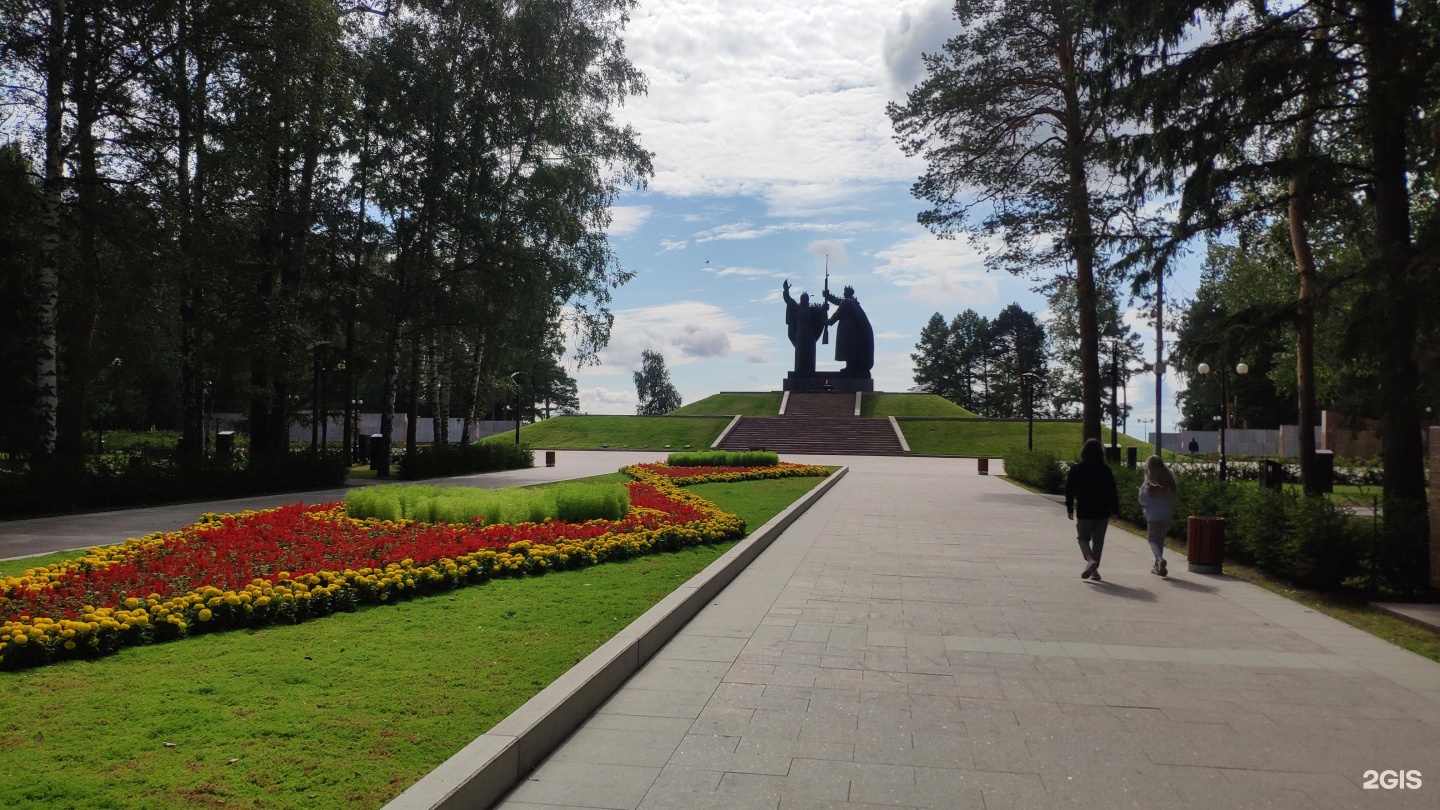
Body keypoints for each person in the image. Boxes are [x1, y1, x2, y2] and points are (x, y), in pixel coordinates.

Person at [1065, 438, 1120, 581]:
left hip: (1085, 509)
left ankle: (1090, 560)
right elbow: (1112, 491)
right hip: (1102, 510)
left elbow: (1069, 490)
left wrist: (1070, 508)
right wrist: (1115, 510)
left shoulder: (1076, 469)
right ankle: (1095, 571)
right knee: (1098, 541)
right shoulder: (1105, 470)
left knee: (1083, 538)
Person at [1138, 455, 1178, 577]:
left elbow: (1142, 500)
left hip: (1153, 516)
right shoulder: (1169, 481)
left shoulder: (1149, 483)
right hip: (1166, 515)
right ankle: (1158, 566)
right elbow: (1172, 498)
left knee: (1152, 540)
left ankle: (1159, 559)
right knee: (1160, 540)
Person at [822, 285, 875, 377]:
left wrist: (827, 321)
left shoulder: (846, 302)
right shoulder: (852, 302)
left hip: (847, 330)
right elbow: (839, 302)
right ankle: (851, 367)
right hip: (852, 330)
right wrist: (828, 296)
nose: (843, 293)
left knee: (848, 349)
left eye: (844, 292)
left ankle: (850, 367)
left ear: (846, 293)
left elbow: (837, 314)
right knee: (850, 348)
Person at [782, 279, 828, 374]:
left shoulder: (812, 309)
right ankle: (799, 370)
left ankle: (810, 370)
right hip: (800, 332)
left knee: (810, 352)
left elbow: (820, 312)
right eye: (803, 298)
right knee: (800, 352)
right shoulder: (796, 307)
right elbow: (788, 300)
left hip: (810, 333)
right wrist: (786, 290)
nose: (805, 299)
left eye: (806, 298)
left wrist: (824, 308)